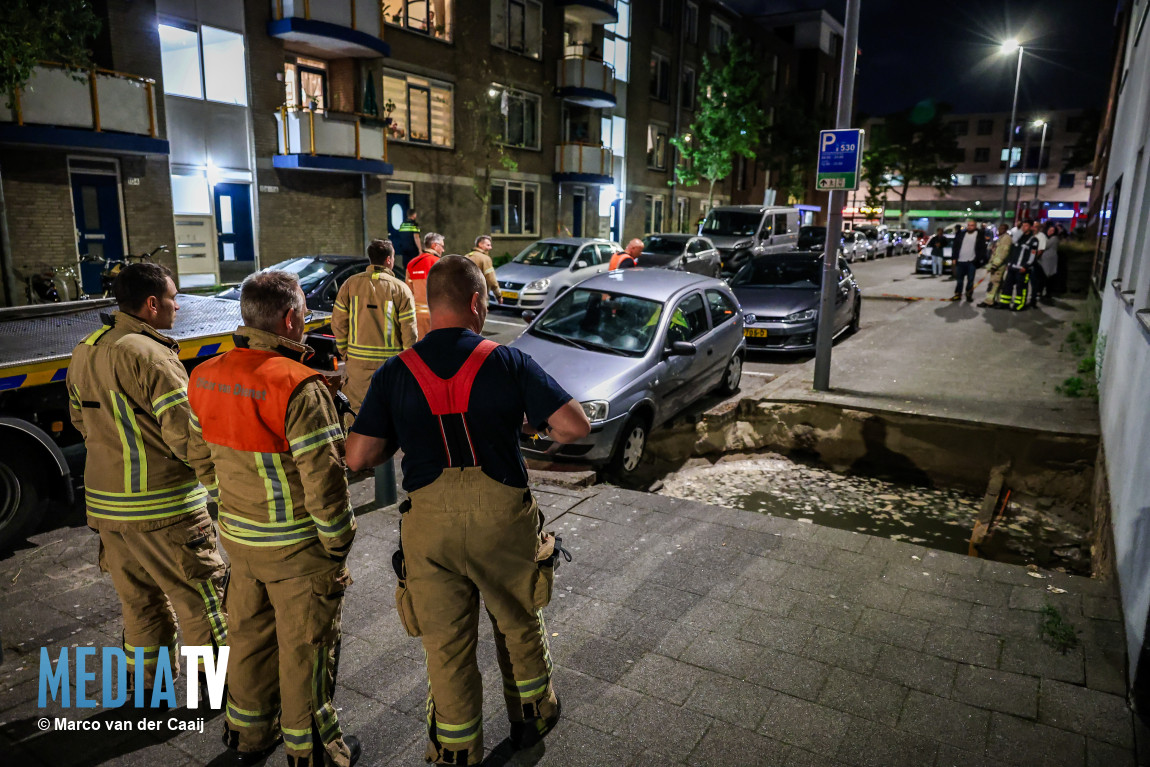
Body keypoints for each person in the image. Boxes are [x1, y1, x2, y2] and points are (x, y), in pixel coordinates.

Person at [344, 256, 591, 766]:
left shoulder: (396, 372)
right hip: (502, 520)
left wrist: (403, 432)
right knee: (518, 619)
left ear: (429, 308)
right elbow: (575, 427)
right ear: (477, 303)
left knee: (446, 644)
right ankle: (532, 716)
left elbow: (358, 457)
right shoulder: (507, 360)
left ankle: (456, 749)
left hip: (429, 528)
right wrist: (529, 428)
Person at [188, 271, 361, 767]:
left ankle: (246, 734)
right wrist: (337, 545)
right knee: (306, 646)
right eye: (304, 315)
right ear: (290, 320)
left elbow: (203, 459)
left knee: (248, 637)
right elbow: (325, 482)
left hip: (238, 541)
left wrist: (232, 508)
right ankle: (309, 751)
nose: (305, 323)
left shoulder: (205, 374)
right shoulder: (298, 387)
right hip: (297, 550)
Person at [67, 262, 227, 701]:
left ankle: (149, 692)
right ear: (152, 304)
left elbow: (81, 421)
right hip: (166, 508)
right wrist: (220, 491)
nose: (178, 305)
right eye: (174, 298)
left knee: (140, 605)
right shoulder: (151, 354)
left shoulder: (86, 348)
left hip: (108, 511)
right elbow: (188, 437)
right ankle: (212, 693)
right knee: (201, 602)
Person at [332, 239, 417, 421]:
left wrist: (344, 352)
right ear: (388, 260)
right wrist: (408, 363)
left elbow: (338, 323)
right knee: (387, 412)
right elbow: (410, 332)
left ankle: (354, 448)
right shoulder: (401, 289)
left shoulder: (350, 284)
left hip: (357, 364)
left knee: (355, 412)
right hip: (389, 365)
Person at [407, 232, 445, 338]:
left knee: (420, 348)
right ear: (434, 245)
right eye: (442, 246)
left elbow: (409, 292)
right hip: (436, 315)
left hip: (417, 315)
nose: (443, 250)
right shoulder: (440, 263)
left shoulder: (412, 264)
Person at [998, 220, 1040, 311]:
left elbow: (1033, 255)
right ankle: (1004, 303)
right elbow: (1012, 248)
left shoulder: (1033, 240)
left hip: (1023, 268)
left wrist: (1026, 266)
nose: (1024, 227)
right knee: (1007, 286)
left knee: (1021, 287)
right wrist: (1009, 263)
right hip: (1012, 267)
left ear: (1031, 227)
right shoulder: (1018, 237)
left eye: (1026, 226)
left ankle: (1020, 304)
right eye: (1023, 226)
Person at [951, 218, 987, 302]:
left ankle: (969, 294)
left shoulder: (979, 235)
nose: (970, 227)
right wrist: (954, 259)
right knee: (959, 280)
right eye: (969, 225)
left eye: (972, 225)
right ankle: (958, 294)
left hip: (971, 261)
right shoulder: (961, 234)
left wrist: (980, 259)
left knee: (970, 280)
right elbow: (955, 247)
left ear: (975, 226)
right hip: (960, 261)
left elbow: (982, 249)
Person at [979, 224, 1013, 307]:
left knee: (994, 283)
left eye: (1002, 228)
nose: (1000, 230)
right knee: (998, 283)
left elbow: (1003, 253)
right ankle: (997, 300)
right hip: (996, 264)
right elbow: (995, 252)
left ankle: (989, 301)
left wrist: (995, 265)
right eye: (999, 228)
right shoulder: (1000, 238)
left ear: (1006, 229)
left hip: (999, 265)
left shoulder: (1006, 239)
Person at [466, 234, 501, 305]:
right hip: (479, 297)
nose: (490, 248)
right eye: (488, 245)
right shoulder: (485, 259)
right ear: (480, 245)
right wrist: (498, 295)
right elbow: (491, 280)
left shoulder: (467, 256)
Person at [1037, 224, 1060, 303]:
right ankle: (1043, 292)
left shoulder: (1054, 239)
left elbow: (1045, 246)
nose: (1050, 232)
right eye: (1049, 230)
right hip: (1046, 261)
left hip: (1049, 261)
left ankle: (1046, 293)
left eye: (1052, 231)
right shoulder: (1049, 238)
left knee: (1047, 277)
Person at [396, 208, 422, 273]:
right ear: (414, 215)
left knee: (406, 266)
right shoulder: (414, 224)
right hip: (412, 248)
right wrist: (420, 249)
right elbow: (416, 237)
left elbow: (400, 236)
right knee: (414, 265)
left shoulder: (402, 225)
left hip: (404, 248)